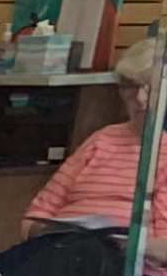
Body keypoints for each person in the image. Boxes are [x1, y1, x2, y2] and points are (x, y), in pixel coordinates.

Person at [27, 36, 167, 247]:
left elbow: (163, 248)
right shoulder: (101, 139)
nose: (139, 98)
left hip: (123, 267)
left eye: (150, 87)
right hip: (60, 253)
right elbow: (36, 215)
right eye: (130, 86)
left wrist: (113, 243)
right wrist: (48, 233)